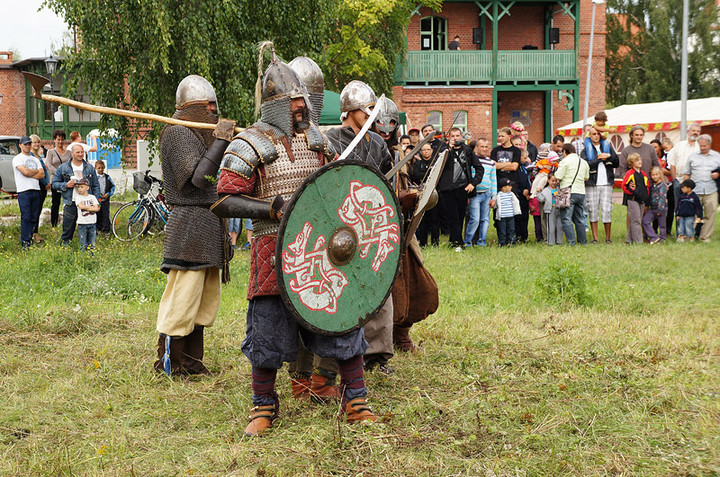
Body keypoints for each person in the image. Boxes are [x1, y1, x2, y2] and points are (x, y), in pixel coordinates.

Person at [213, 48, 378, 435]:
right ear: (274, 105)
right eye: (293, 102)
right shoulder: (250, 143)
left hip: (321, 250)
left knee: (339, 320)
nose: (301, 108)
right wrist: (271, 207)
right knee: (267, 331)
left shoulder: (320, 140)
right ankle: (263, 408)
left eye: (303, 101)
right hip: (273, 250)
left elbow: (337, 188)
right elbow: (222, 199)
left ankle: (355, 400)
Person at [152, 74, 235, 378]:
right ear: (193, 107)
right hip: (188, 223)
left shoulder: (201, 135)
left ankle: (191, 361)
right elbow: (198, 179)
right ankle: (168, 362)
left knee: (203, 300)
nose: (214, 110)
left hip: (208, 223)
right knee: (183, 298)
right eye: (209, 105)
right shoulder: (177, 133)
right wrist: (222, 141)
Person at [326, 81, 395, 375]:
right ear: (349, 111)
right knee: (343, 292)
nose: (370, 115)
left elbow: (387, 182)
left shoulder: (378, 143)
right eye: (365, 110)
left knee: (378, 287)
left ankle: (378, 354)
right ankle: (341, 353)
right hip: (339, 227)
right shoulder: (330, 140)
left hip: (372, 226)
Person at [436, 127, 483, 250]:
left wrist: (473, 183)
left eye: (457, 136)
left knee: (460, 216)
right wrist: (448, 149)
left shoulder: (467, 151)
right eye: (452, 136)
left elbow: (479, 168)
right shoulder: (444, 149)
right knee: (452, 216)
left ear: (461, 136)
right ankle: (458, 243)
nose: (455, 138)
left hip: (463, 188)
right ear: (449, 137)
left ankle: (454, 241)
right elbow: (438, 163)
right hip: (447, 189)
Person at [52, 143, 101, 245]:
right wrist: (66, 185)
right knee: (67, 230)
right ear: (72, 153)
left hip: (87, 203)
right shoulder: (63, 168)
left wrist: (96, 201)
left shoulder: (89, 168)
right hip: (71, 202)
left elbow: (96, 185)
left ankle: (89, 250)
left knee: (89, 230)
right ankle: (64, 250)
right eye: (77, 152)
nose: (80, 154)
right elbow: (54, 184)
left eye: (82, 152)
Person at [581, 127, 619, 244]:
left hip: (606, 182)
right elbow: (586, 165)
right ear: (589, 136)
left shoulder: (607, 147)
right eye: (593, 134)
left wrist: (609, 156)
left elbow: (616, 162)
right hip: (592, 183)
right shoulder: (585, 150)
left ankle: (608, 238)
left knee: (606, 209)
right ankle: (595, 238)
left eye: (598, 134)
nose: (596, 136)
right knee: (592, 209)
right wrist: (599, 159)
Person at [681, 134, 720, 242]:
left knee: (710, 215)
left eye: (704, 146)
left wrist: (718, 174)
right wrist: (685, 190)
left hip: (711, 190)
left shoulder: (717, 156)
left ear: (709, 144)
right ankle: (690, 236)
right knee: (691, 215)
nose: (702, 148)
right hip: (695, 191)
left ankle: (705, 237)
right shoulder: (692, 157)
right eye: (700, 145)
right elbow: (686, 174)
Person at [13, 136, 45, 250]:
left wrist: (31, 172)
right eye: (25, 144)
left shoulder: (35, 159)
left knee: (34, 216)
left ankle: (31, 238)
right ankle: (25, 242)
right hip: (24, 191)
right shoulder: (18, 158)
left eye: (28, 144)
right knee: (26, 217)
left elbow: (42, 174)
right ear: (20, 145)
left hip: (36, 190)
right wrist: (33, 172)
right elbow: (25, 172)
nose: (27, 146)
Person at [554, 144, 589, 245]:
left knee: (566, 218)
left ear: (565, 152)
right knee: (579, 218)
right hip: (581, 192)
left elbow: (558, 176)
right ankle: (583, 242)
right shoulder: (583, 162)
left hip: (568, 192)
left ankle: (571, 242)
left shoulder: (565, 161)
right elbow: (586, 178)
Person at [464, 138, 496, 247]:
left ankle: (482, 242)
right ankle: (468, 241)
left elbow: (493, 181)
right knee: (475, 219)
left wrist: (494, 197)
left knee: (485, 220)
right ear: (476, 147)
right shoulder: (472, 161)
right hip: (475, 194)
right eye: (482, 146)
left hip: (487, 194)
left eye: (486, 147)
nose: (484, 149)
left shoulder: (491, 162)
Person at [412, 143, 440, 246]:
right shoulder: (417, 164)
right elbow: (415, 175)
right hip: (422, 194)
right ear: (421, 151)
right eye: (424, 150)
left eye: (428, 149)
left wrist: (424, 175)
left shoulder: (436, 163)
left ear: (432, 151)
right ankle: (423, 243)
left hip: (434, 194)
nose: (426, 152)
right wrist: (428, 175)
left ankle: (435, 242)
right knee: (422, 220)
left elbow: (437, 175)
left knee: (434, 219)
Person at [45, 129, 71, 228]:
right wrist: (59, 174)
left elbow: (70, 165)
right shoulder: (51, 152)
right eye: (58, 139)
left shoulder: (68, 152)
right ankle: (54, 225)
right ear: (54, 140)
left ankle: (67, 224)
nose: (60, 142)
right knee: (55, 203)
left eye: (62, 140)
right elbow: (49, 165)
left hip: (67, 181)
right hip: (55, 180)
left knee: (68, 203)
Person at [621, 153, 649, 244]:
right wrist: (633, 192)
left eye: (640, 159)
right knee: (636, 220)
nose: (639, 162)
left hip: (642, 200)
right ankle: (638, 241)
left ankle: (629, 240)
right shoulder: (630, 173)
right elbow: (624, 186)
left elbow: (646, 186)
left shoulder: (643, 174)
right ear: (631, 163)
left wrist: (645, 196)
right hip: (633, 200)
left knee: (637, 220)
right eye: (637, 160)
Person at [29, 134, 49, 244]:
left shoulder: (38, 156)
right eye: (34, 142)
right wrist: (46, 183)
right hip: (38, 185)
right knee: (35, 211)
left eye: (38, 142)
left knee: (38, 209)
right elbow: (38, 173)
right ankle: (34, 233)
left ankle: (35, 232)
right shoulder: (31, 156)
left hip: (43, 186)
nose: (36, 144)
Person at [642, 166, 668, 244]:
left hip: (661, 208)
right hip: (652, 208)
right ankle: (654, 237)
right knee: (645, 221)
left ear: (660, 175)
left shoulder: (662, 185)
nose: (654, 177)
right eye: (653, 175)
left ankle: (662, 238)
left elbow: (662, 197)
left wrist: (660, 209)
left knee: (662, 224)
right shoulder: (652, 185)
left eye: (656, 174)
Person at [74, 178, 100, 253]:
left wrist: (88, 208)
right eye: (78, 187)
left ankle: (92, 256)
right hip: (82, 223)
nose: (79, 189)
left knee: (92, 242)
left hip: (92, 222)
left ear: (87, 188)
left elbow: (97, 208)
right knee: (83, 243)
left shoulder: (92, 197)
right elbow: (81, 207)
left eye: (82, 187)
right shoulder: (78, 197)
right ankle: (83, 257)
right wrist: (92, 208)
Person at [537, 173, 563, 245]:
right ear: (548, 180)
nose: (554, 183)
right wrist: (538, 193)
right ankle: (551, 242)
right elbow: (541, 199)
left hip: (558, 209)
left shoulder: (559, 189)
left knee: (559, 226)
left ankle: (559, 241)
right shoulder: (545, 190)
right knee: (551, 227)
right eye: (552, 181)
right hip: (550, 209)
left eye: (555, 181)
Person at [494, 178, 520, 246]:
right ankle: (502, 242)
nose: (511, 187)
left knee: (511, 229)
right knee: (502, 230)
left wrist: (517, 211)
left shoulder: (511, 194)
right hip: (502, 216)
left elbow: (516, 202)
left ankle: (512, 241)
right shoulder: (498, 195)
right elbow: (496, 204)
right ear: (504, 187)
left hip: (510, 215)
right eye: (509, 186)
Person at [94, 160, 115, 234]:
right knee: (97, 214)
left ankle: (106, 230)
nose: (100, 170)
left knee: (105, 214)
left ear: (104, 168)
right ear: (95, 168)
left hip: (105, 200)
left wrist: (108, 194)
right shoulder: (94, 178)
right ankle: (98, 229)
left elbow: (113, 186)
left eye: (102, 168)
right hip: (97, 200)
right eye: (99, 168)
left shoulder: (107, 177)